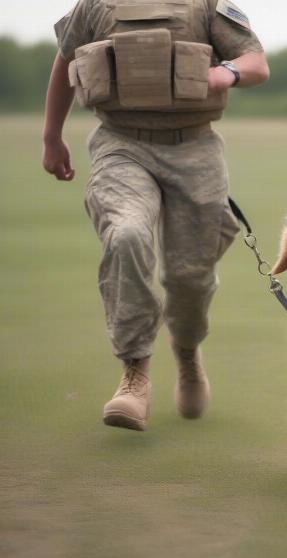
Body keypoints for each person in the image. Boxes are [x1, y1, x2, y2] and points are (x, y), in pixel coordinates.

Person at [42, 0, 269, 431]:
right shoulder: (94, 6)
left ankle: (186, 352)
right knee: (126, 235)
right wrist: (51, 136)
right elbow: (66, 59)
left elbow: (256, 63)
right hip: (120, 145)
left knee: (190, 275)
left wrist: (228, 73)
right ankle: (135, 375)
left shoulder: (207, 5)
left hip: (195, 148)